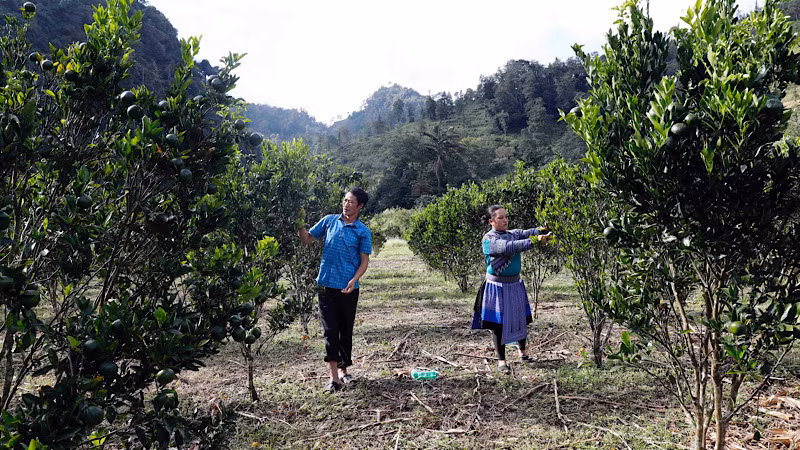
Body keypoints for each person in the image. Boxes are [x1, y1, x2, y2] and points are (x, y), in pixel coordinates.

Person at [298, 187, 372, 393]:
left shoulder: (362, 231)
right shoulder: (329, 221)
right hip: (326, 286)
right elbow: (307, 239)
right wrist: (298, 222)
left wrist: (354, 280)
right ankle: (333, 379)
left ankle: (344, 370)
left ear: (360, 206)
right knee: (330, 331)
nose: (346, 204)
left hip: (349, 288)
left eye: (351, 202)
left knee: (345, 330)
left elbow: (364, 262)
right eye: (345, 200)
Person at [471, 205, 550, 373]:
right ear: (491, 221)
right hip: (496, 287)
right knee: (498, 325)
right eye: (500, 218)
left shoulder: (510, 233)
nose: (505, 220)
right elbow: (509, 247)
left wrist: (540, 230)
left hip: (515, 284)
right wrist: (535, 241)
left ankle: (523, 353)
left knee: (521, 318)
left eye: (506, 217)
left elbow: (524, 232)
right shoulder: (489, 240)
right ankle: (502, 362)